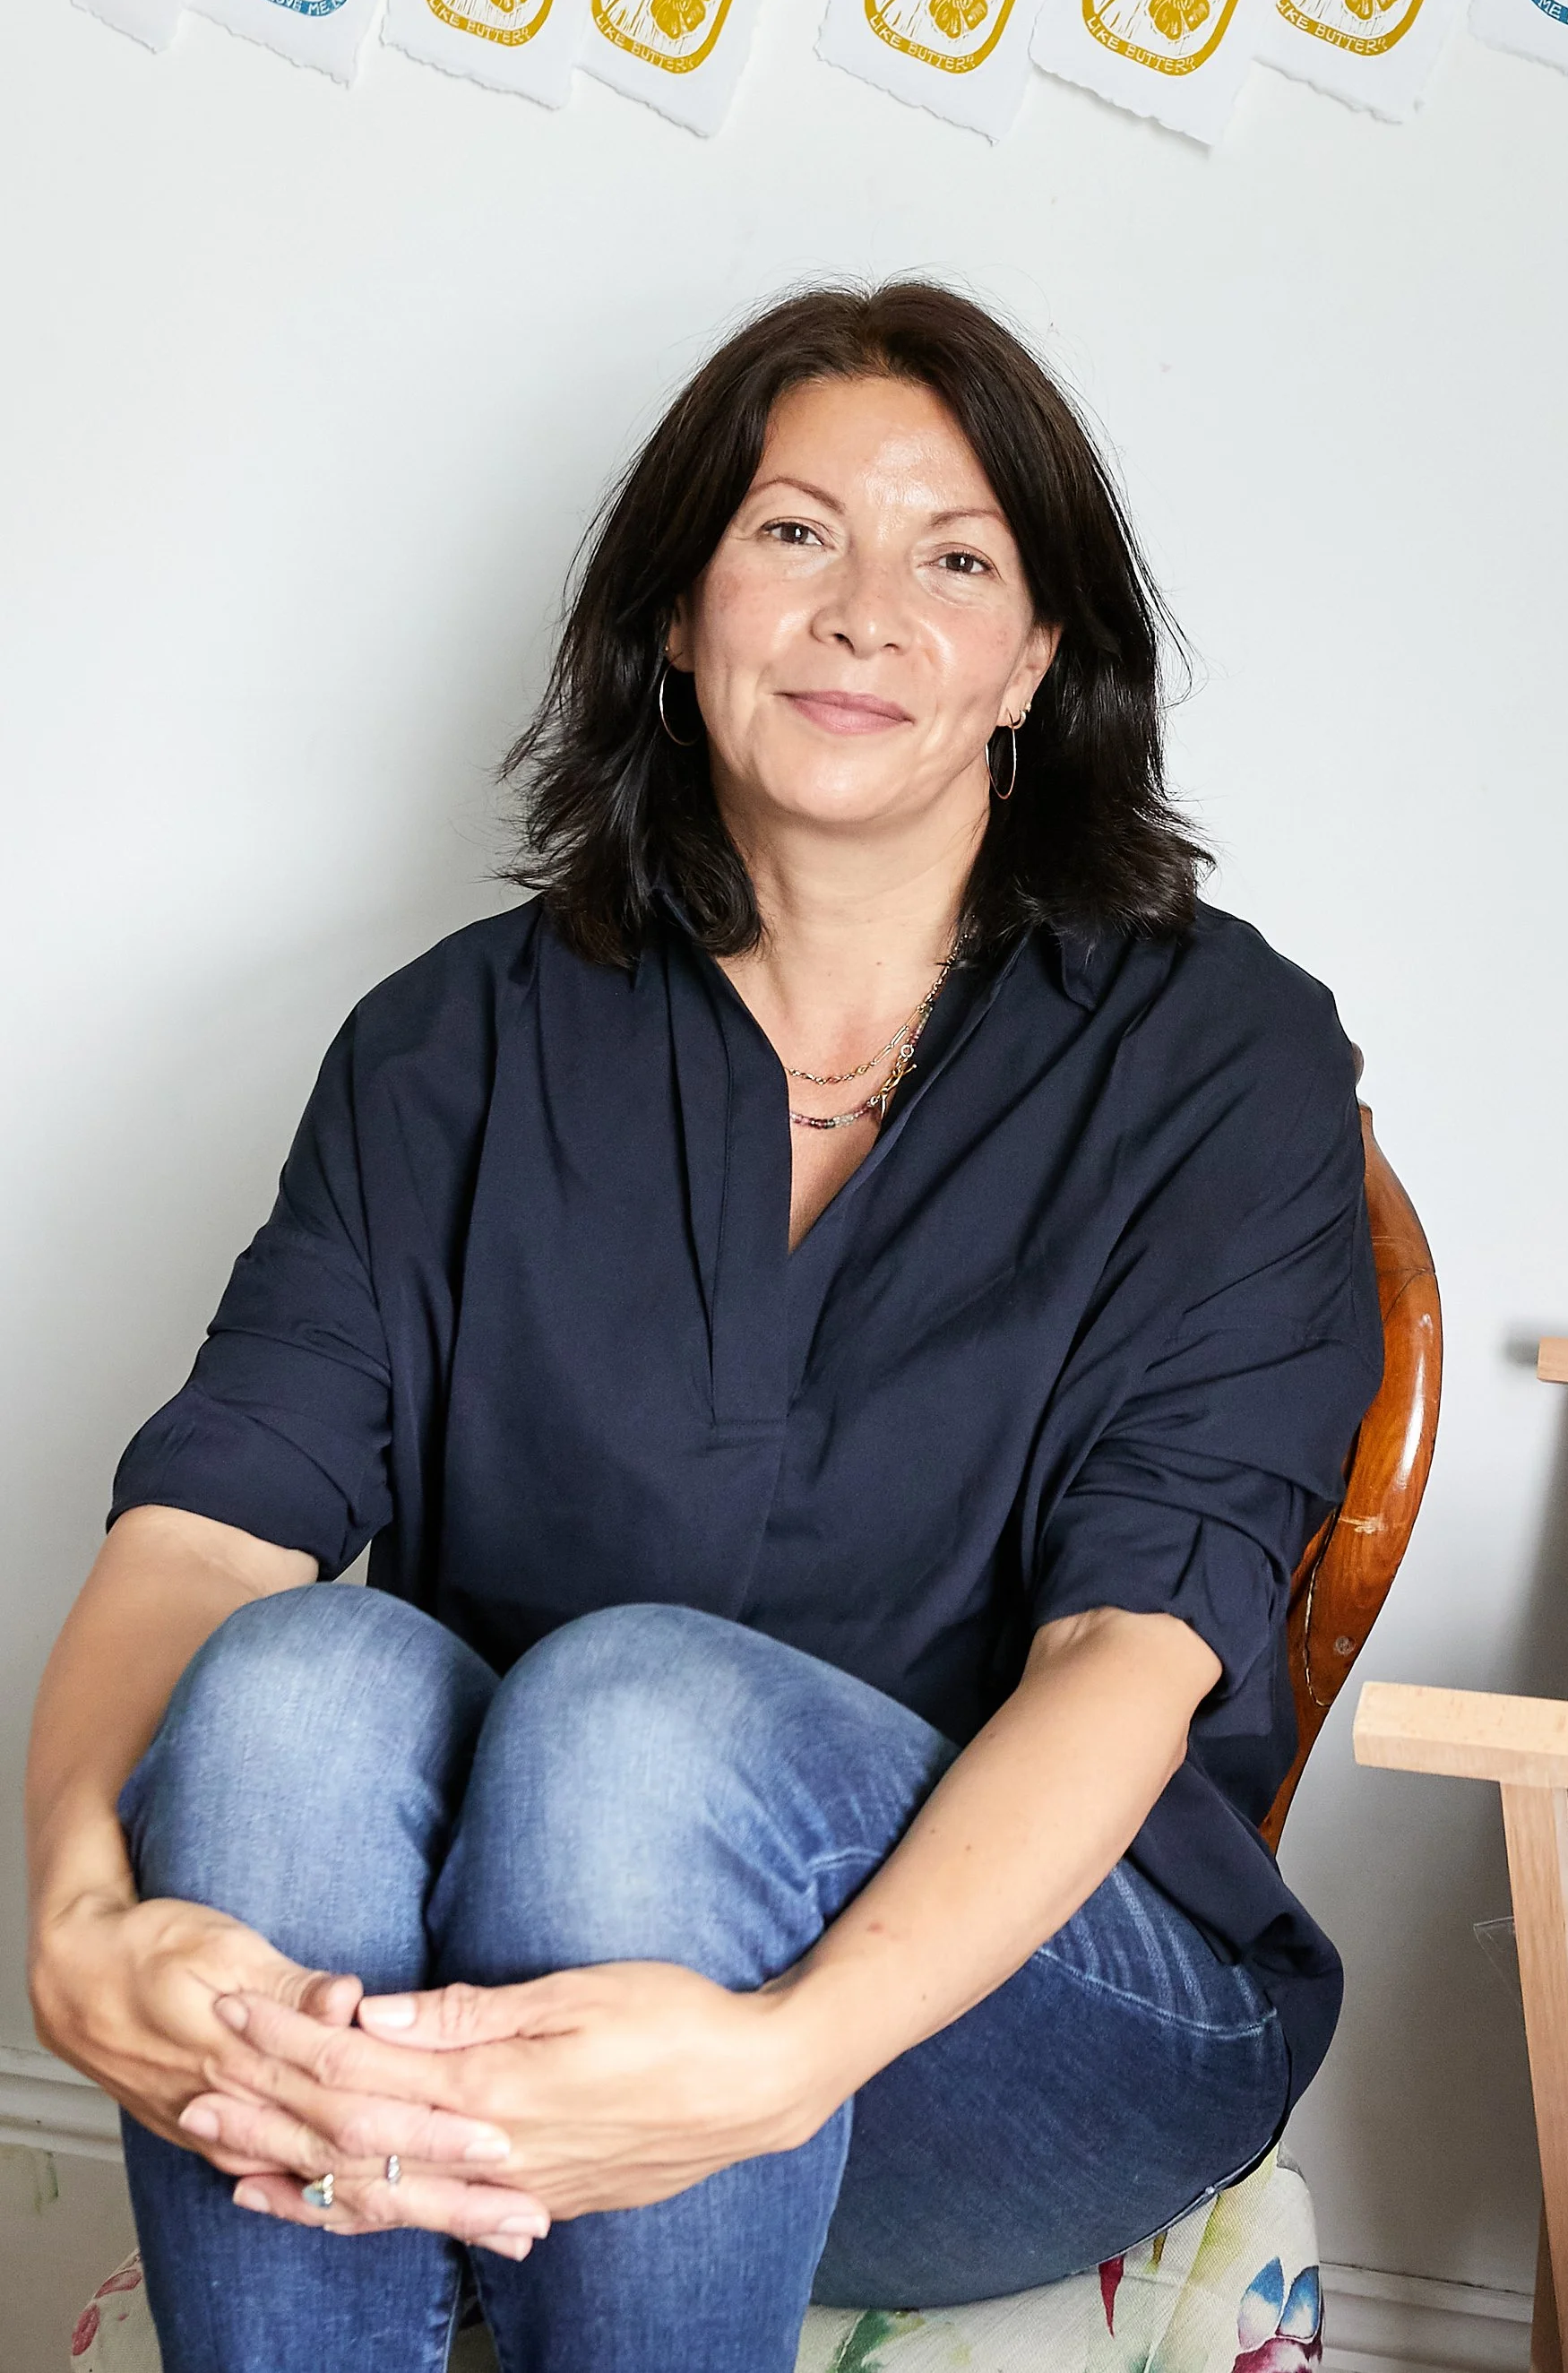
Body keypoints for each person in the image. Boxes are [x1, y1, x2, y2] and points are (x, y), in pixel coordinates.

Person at [25, 280, 1383, 2373]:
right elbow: (208, 1529)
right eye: (791, 532)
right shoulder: (450, 1044)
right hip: (496, 2026)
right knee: (288, 1679)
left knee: (636, 1720)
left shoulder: (1221, 1056)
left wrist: (781, 2056)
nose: (862, 613)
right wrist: (71, 1911)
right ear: (676, 612)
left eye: (954, 559)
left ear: (1033, 657)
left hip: (1014, 2028)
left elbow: (1132, 1651)